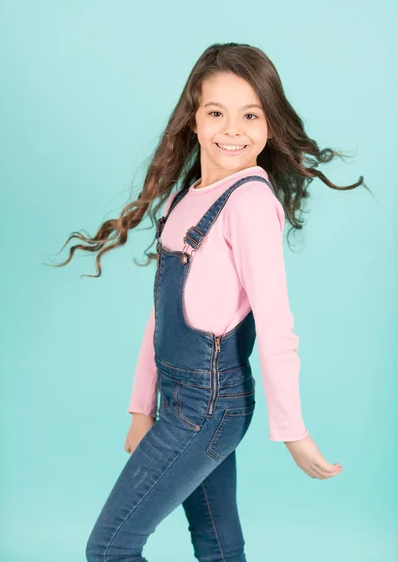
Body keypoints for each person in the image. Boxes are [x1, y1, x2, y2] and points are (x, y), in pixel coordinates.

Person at [51, 43, 366, 562]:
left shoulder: (251, 203)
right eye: (216, 113)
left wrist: (292, 430)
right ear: (193, 121)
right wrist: (140, 405)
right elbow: (161, 315)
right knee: (218, 547)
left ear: (270, 125)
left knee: (110, 548)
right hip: (181, 399)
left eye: (250, 115)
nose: (232, 129)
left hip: (209, 404)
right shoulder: (185, 198)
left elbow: (276, 322)